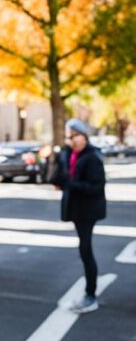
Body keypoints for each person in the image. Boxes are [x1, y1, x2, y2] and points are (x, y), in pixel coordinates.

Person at [50, 118, 107, 313]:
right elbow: (56, 178)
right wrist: (56, 159)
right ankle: (89, 292)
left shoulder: (93, 156)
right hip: (74, 209)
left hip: (88, 210)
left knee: (86, 250)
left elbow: (97, 187)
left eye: (75, 136)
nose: (72, 140)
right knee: (84, 250)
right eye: (69, 137)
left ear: (84, 136)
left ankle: (90, 295)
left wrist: (71, 184)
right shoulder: (68, 154)